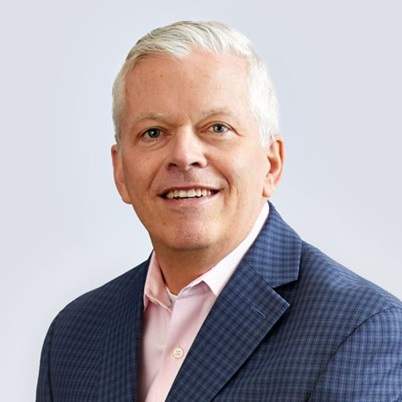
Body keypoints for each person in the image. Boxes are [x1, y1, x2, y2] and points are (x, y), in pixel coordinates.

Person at [36, 21, 402, 401]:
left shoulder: (361, 330)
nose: (184, 156)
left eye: (217, 128)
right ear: (120, 172)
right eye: (154, 132)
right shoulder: (72, 335)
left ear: (271, 164)